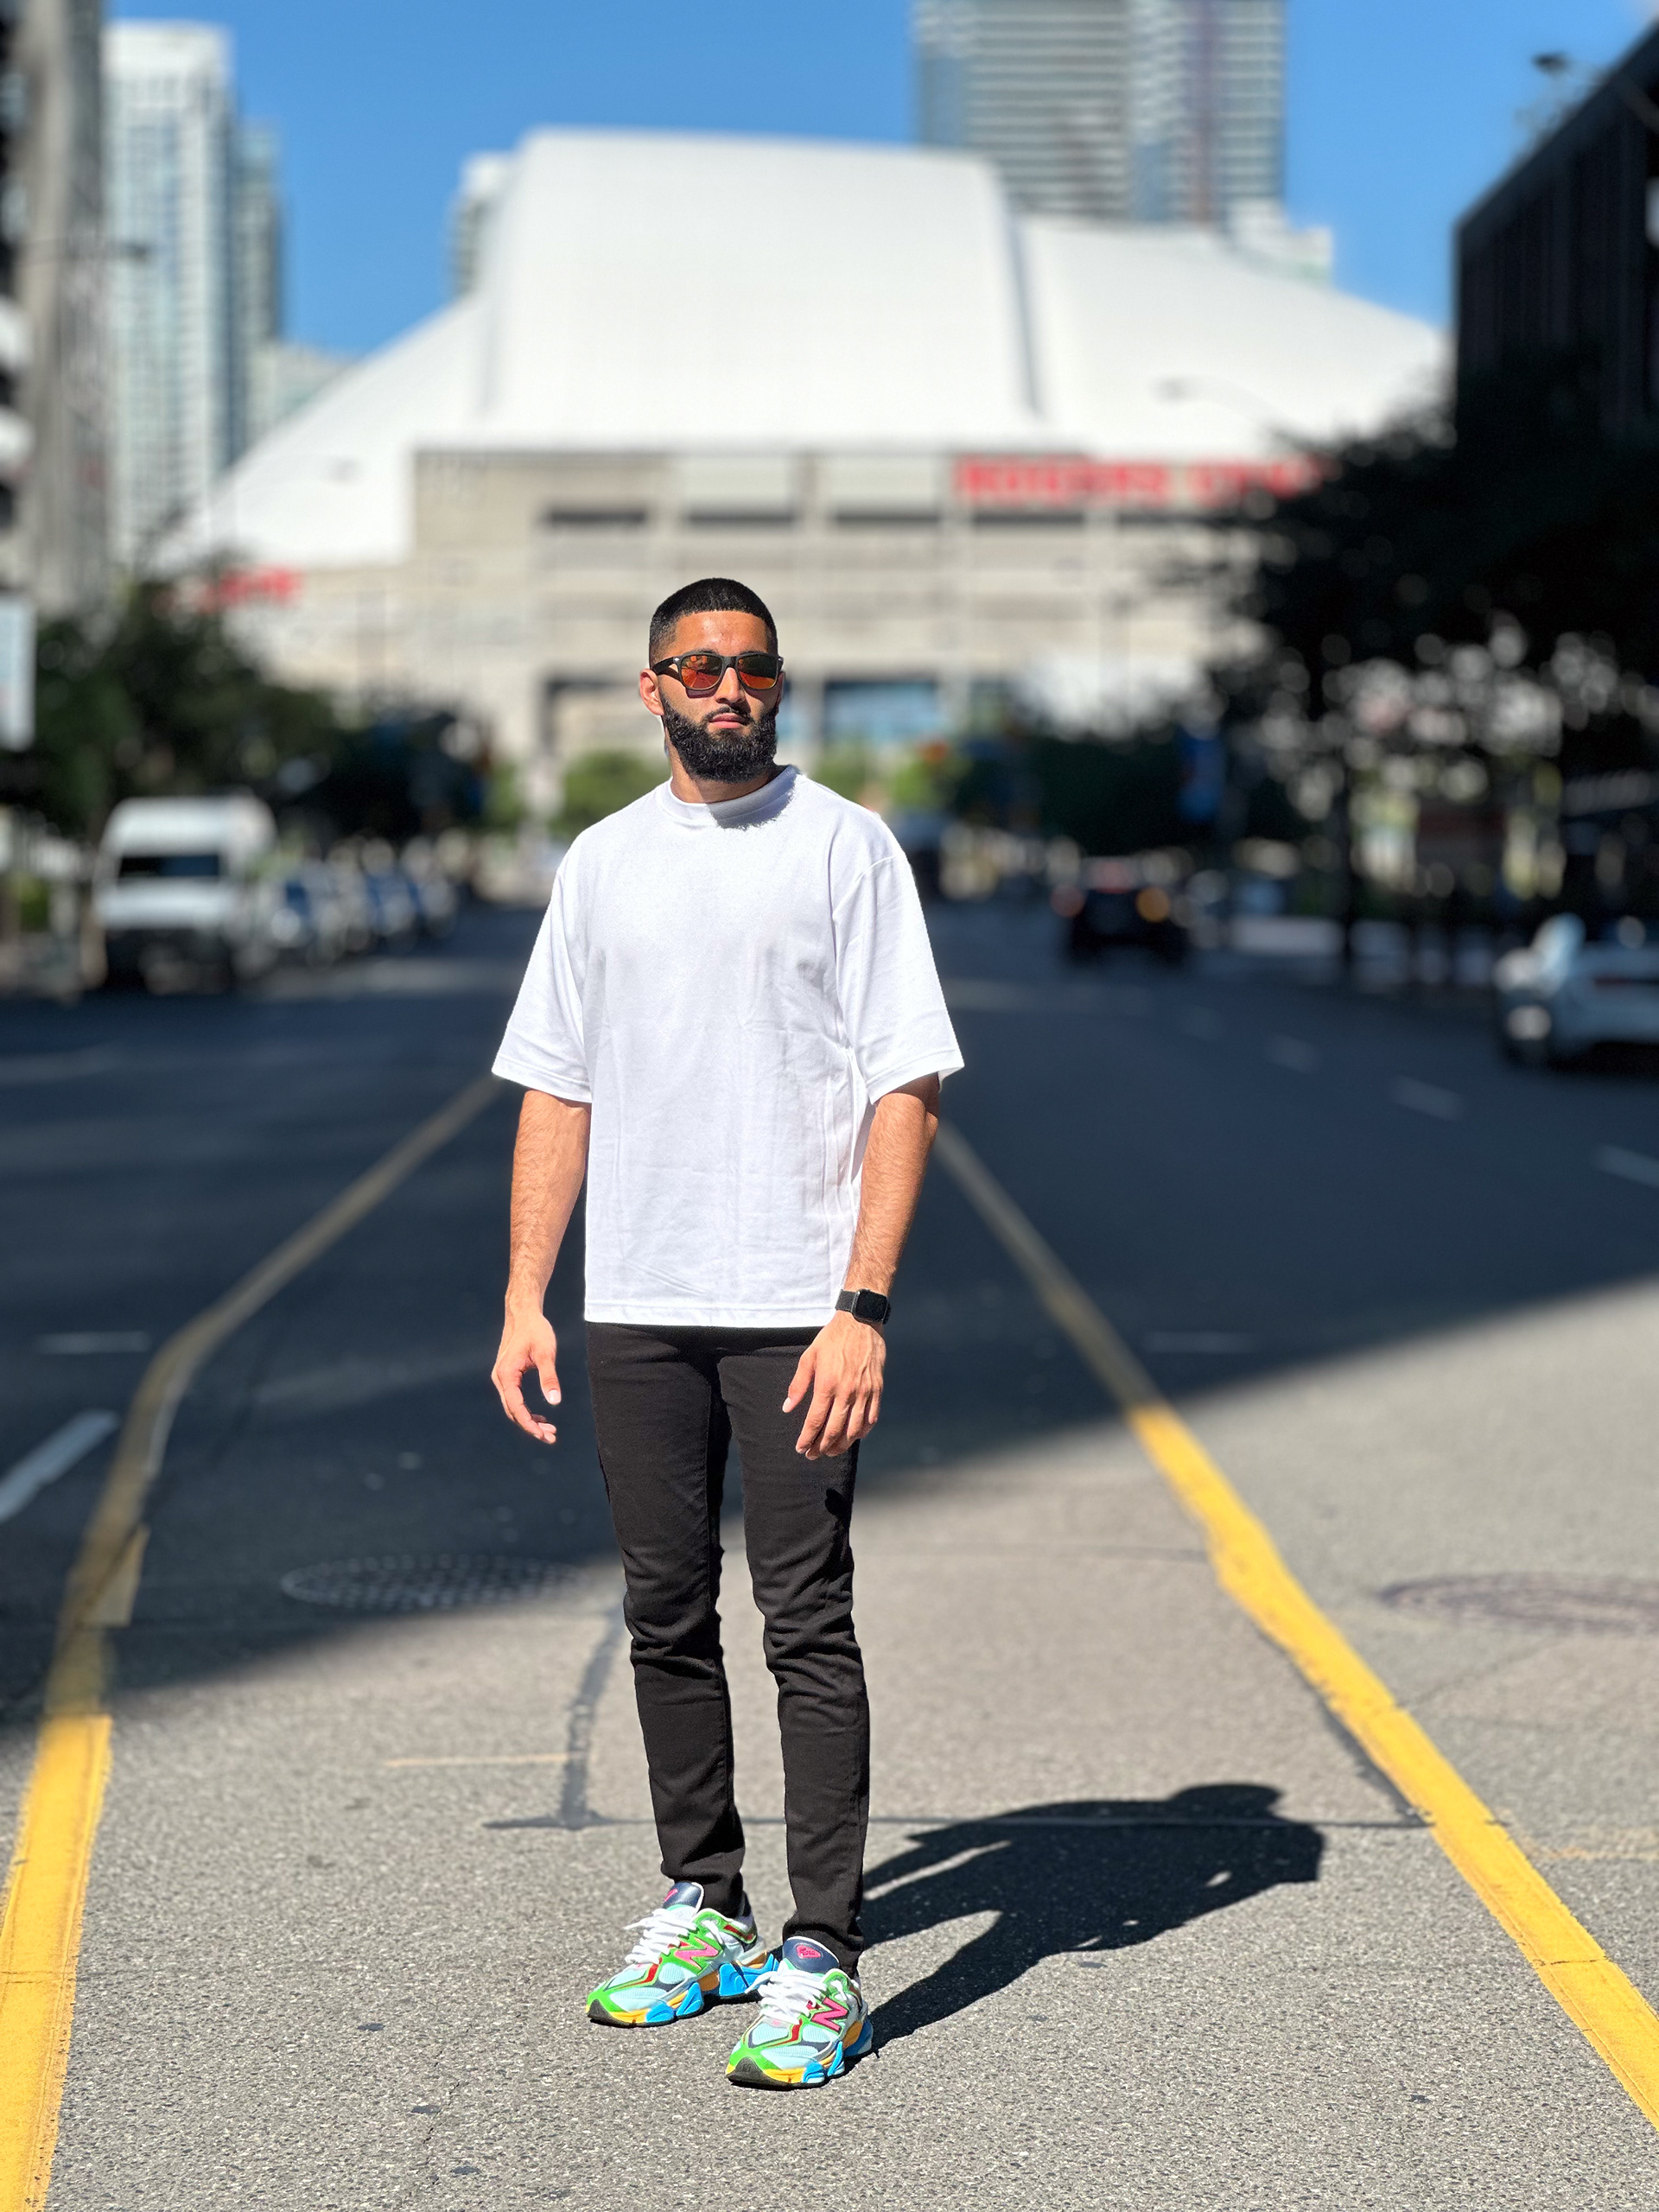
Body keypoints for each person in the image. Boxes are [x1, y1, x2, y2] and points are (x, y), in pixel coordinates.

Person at [490, 576, 962, 2089]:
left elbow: (907, 1084)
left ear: (779, 684)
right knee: (662, 1616)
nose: (728, 687)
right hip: (636, 1303)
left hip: (793, 1315)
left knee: (805, 1623)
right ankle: (707, 1903)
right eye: (699, 665)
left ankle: (823, 1954)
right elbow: (555, 1090)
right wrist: (525, 1297)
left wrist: (862, 1305)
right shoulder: (602, 863)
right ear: (652, 688)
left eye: (752, 666)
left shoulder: (847, 848)